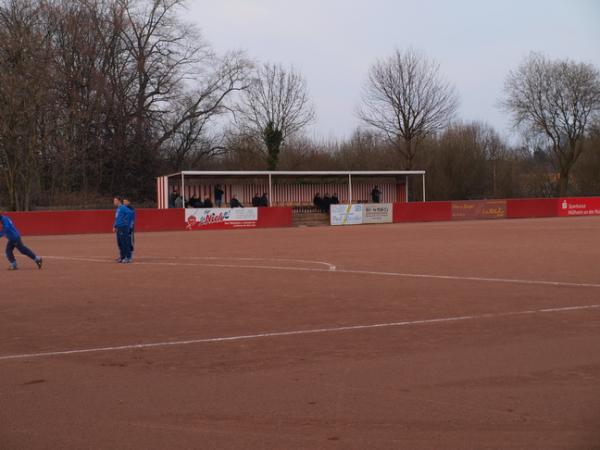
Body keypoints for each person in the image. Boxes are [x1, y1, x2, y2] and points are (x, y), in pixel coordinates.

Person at [113, 196, 133, 263]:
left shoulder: (123, 207)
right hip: (119, 227)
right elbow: (117, 218)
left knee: (124, 242)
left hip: (123, 227)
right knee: (120, 243)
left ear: (119, 201)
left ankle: (128, 257)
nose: (114, 202)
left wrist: (125, 221)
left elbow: (130, 212)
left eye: (115, 200)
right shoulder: (118, 209)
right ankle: (122, 256)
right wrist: (115, 226)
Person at [123, 197, 136, 262]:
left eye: (125, 201)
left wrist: (130, 227)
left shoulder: (131, 209)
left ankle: (130, 256)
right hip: (123, 227)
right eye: (123, 202)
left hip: (129, 228)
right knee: (124, 242)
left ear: (129, 202)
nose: (124, 203)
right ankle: (124, 255)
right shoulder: (122, 209)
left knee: (130, 241)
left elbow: (132, 219)